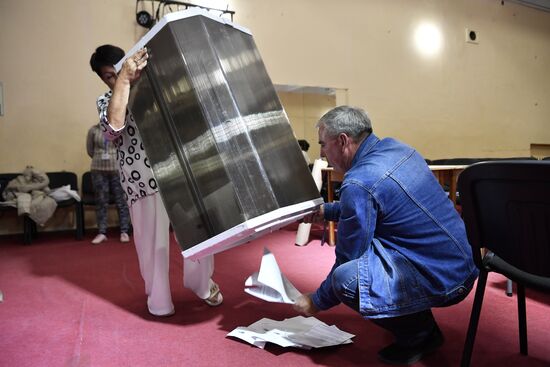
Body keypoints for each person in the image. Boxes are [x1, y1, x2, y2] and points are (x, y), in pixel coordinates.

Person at [293, 106, 478, 365]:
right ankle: (419, 323)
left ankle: (419, 335)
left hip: (444, 279)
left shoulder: (359, 181)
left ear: (343, 141)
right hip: (462, 261)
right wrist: (327, 211)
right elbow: (379, 204)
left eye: (323, 145)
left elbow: (348, 256)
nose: (322, 153)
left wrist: (317, 300)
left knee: (346, 279)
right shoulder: (396, 148)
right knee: (376, 249)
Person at [89, 44, 223, 316]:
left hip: (178, 173)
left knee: (199, 230)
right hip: (142, 179)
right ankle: (159, 300)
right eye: (109, 76)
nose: (115, 77)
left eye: (120, 69)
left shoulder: (159, 90)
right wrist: (123, 82)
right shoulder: (107, 101)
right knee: (153, 244)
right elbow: (114, 127)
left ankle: (201, 283)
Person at [86, 121, 131, 244]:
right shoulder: (94, 130)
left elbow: (124, 147)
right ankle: (102, 232)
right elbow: (90, 150)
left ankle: (124, 231)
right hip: (98, 170)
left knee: (121, 200)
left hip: (117, 170)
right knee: (101, 201)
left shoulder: (119, 128)